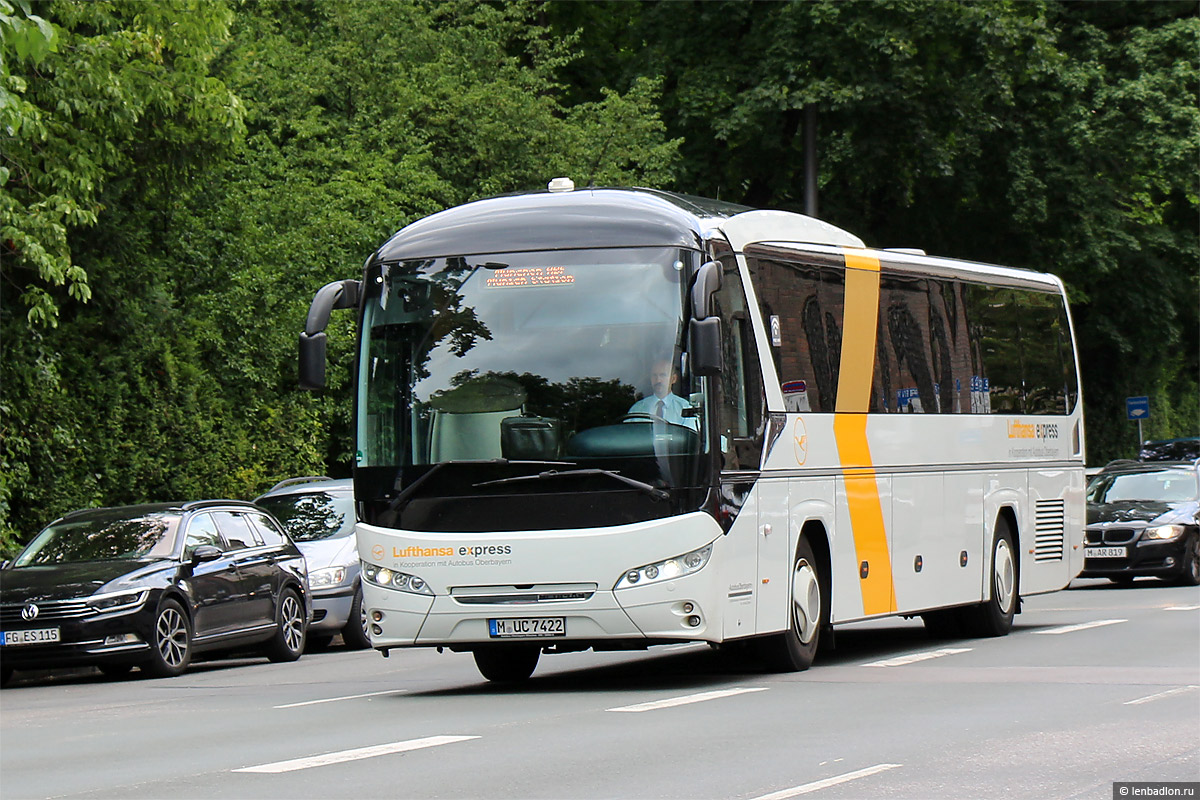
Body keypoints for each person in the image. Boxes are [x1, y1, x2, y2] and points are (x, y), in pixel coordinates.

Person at [627, 358, 698, 431]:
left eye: (663, 375)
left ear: (674, 379)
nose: (658, 380)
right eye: (654, 375)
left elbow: (689, 438)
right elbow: (628, 436)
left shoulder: (685, 408)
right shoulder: (637, 409)